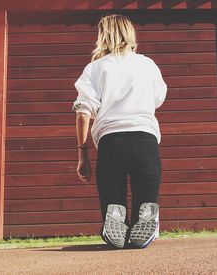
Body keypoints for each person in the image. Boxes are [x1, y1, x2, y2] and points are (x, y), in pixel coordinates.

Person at [72, 14, 167, 249]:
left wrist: (83, 155)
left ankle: (114, 219)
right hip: (145, 140)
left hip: (110, 142)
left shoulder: (95, 68)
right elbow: (158, 99)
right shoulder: (147, 64)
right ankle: (146, 217)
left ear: (102, 35)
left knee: (113, 199)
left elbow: (83, 112)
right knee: (146, 194)